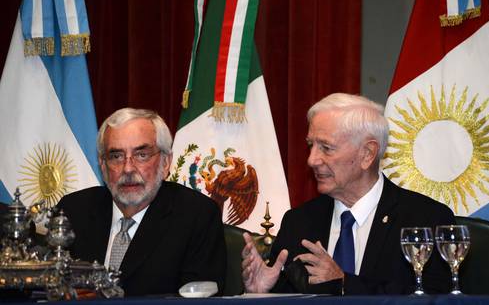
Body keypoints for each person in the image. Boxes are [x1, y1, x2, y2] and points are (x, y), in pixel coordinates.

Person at [242, 93, 454, 295]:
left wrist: (344, 283)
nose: (312, 160)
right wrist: (262, 293)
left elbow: (434, 297)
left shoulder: (425, 220)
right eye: (311, 145)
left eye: (326, 147)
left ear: (367, 154)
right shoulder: (298, 222)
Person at [57, 108, 226, 296]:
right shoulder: (72, 211)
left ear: (165, 163)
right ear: (103, 166)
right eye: (116, 156)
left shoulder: (196, 216)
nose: (128, 168)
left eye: (141, 155)